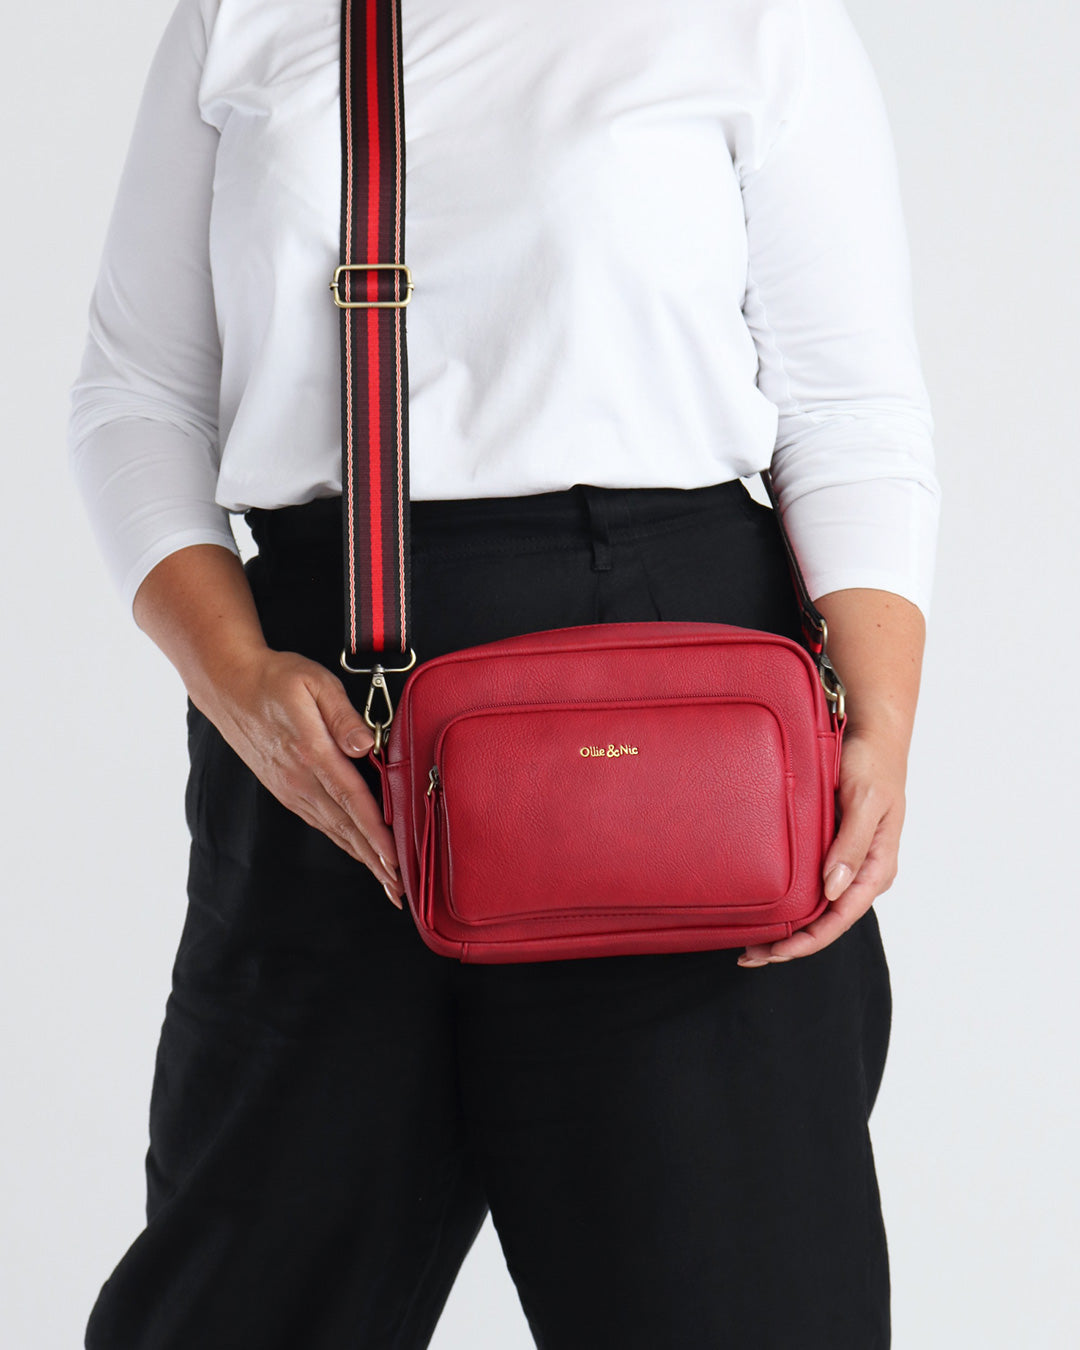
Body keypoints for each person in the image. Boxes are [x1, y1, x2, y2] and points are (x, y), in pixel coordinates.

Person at [67, 0, 940, 1345]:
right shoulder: (243, 14)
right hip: (320, 737)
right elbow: (135, 396)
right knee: (240, 1300)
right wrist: (234, 678)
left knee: (732, 1305)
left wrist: (879, 722)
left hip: (673, 729)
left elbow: (847, 405)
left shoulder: (754, 19)